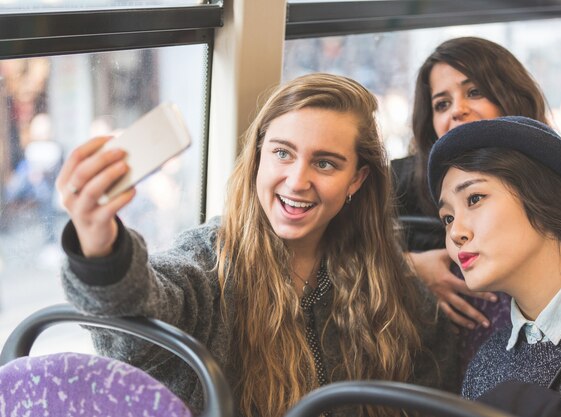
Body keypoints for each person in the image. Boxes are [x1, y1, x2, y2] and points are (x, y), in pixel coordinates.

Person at [56, 73, 458, 417]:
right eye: (283, 153)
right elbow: (136, 330)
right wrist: (100, 245)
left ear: (356, 180)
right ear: (259, 158)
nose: (297, 180)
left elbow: (427, 390)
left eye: (325, 163)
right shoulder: (211, 263)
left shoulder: (384, 277)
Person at [391, 36, 561, 366]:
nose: (457, 110)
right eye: (441, 104)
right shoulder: (404, 184)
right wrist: (408, 264)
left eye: (474, 92)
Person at [427, 116, 561, 417]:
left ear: (543, 198)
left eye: (475, 198)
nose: (455, 233)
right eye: (448, 218)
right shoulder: (486, 365)